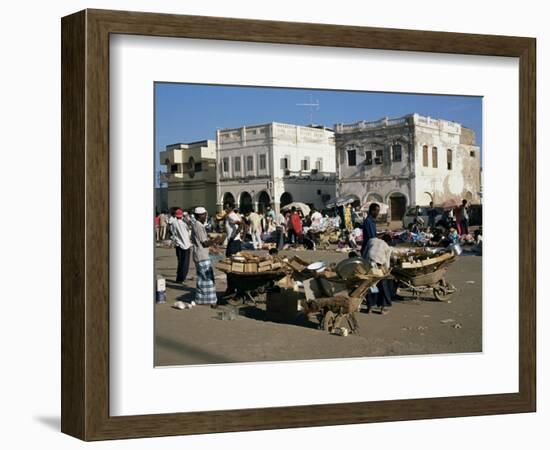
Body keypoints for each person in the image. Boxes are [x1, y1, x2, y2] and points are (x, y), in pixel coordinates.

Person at [190, 207, 218, 306]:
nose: (206, 216)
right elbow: (205, 243)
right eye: (204, 215)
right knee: (206, 278)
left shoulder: (199, 225)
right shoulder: (198, 225)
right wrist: (216, 240)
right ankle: (206, 299)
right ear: (200, 215)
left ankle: (204, 298)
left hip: (202, 255)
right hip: (201, 255)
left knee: (204, 278)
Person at [364, 234, 394, 314]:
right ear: (388, 241)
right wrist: (387, 272)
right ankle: (383, 309)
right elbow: (387, 262)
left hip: (369, 264)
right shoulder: (387, 247)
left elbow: (365, 253)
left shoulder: (372, 240)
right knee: (383, 286)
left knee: (370, 285)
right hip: (379, 265)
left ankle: (369, 308)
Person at [223, 204, 242, 298]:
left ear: (231, 208)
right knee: (235, 265)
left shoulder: (230, 216)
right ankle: (234, 287)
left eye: (227, 207)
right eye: (225, 207)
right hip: (236, 242)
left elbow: (241, 224)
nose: (225, 209)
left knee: (230, 265)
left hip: (233, 243)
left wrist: (233, 237)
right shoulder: (233, 215)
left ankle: (231, 288)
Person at [170, 208, 191, 284]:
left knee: (180, 262)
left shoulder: (173, 223)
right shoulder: (183, 224)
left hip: (178, 245)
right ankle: (182, 278)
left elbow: (173, 233)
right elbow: (188, 230)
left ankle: (178, 278)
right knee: (185, 263)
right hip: (186, 245)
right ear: (181, 216)